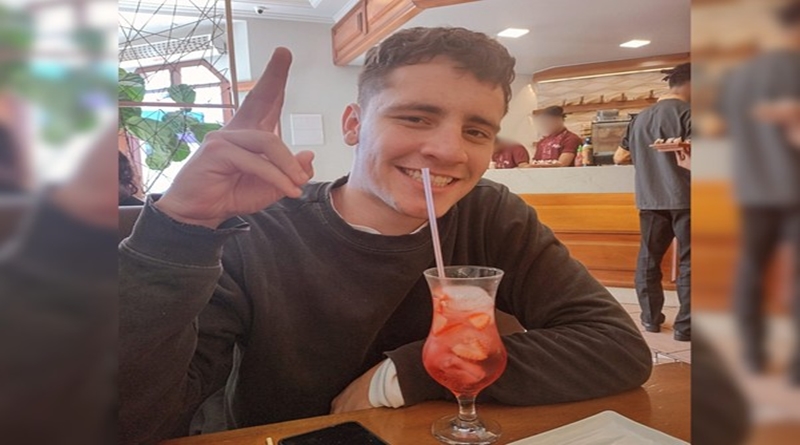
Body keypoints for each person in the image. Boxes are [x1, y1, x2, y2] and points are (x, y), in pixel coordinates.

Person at [119, 27, 652, 443]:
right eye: (416, 118)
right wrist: (180, 229)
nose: (449, 150)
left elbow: (616, 347)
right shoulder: (259, 229)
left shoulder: (489, 214)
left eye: (476, 130)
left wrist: (408, 371)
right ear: (354, 124)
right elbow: (130, 421)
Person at [716, 0, 800, 380]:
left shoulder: (739, 76)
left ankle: (752, 353)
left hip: (752, 189)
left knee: (750, 270)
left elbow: (725, 128)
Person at [617, 62, 692, 342]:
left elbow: (619, 156)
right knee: (690, 263)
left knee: (649, 259)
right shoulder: (691, 113)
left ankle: (650, 318)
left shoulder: (639, 118)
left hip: (649, 199)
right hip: (688, 200)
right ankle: (685, 327)